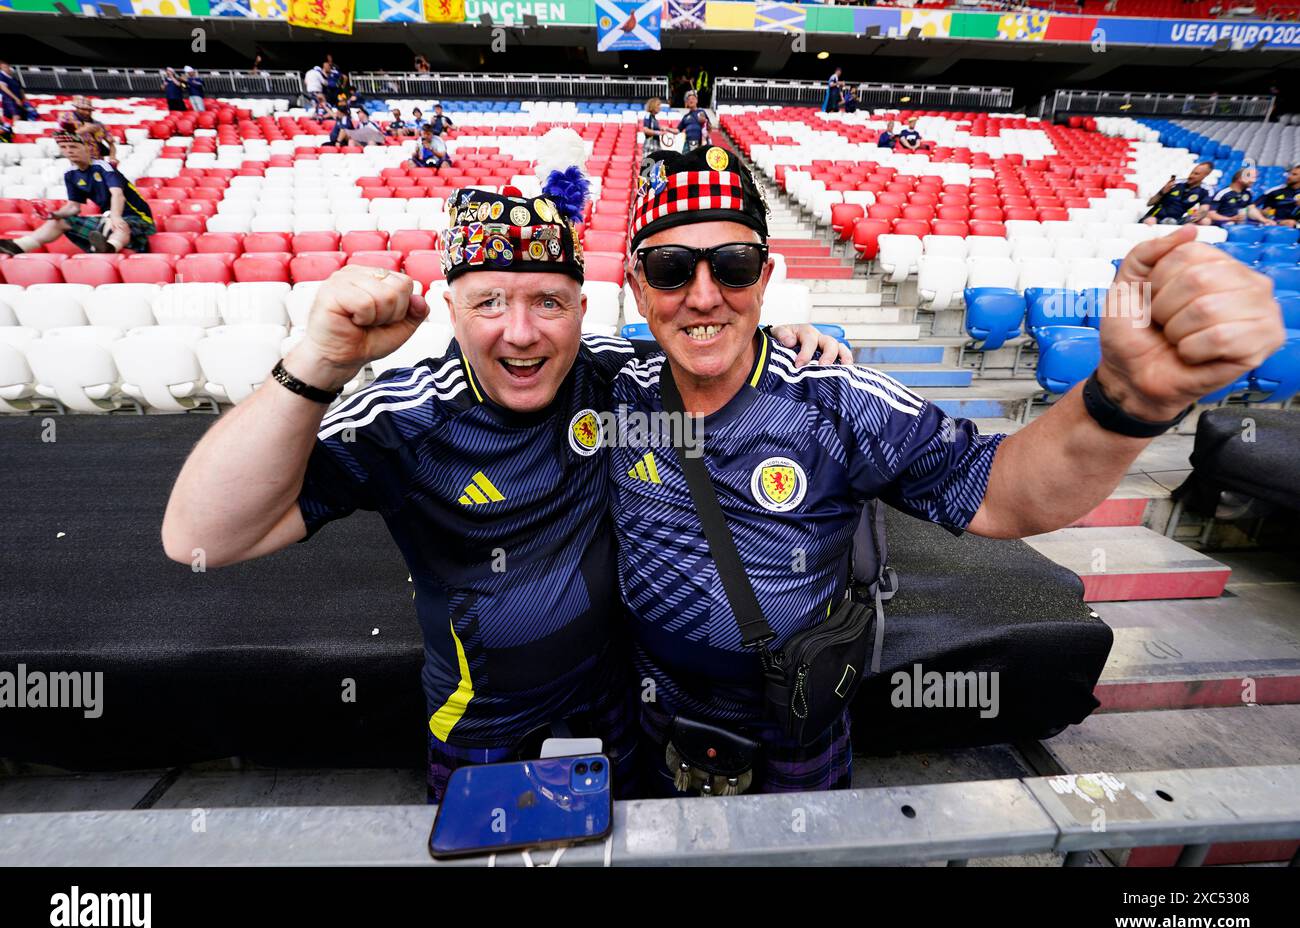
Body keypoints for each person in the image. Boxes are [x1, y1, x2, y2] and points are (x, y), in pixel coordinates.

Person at [159, 145, 847, 802]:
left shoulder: (614, 379)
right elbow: (202, 537)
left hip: (617, 705)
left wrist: (783, 343)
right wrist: (317, 362)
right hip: (487, 730)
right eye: (489, 302)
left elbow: (703, 338)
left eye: (548, 301)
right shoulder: (404, 419)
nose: (521, 332)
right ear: (450, 310)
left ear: (582, 311)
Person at [610, 145, 1285, 795]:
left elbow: (1000, 490)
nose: (703, 295)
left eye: (732, 264)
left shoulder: (840, 401)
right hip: (651, 711)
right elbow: (517, 347)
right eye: (670, 268)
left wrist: (1125, 398)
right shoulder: (608, 388)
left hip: (795, 715)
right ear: (638, 288)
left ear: (765, 277)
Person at [0, 131, 155, 256]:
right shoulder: (70, 174)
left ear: (87, 148)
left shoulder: (104, 167)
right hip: (108, 217)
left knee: (118, 225)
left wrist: (115, 216)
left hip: (138, 217)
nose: (68, 151)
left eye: (73, 146)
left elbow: (117, 194)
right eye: (64, 147)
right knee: (61, 221)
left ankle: (109, 247)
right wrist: (54, 215)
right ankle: (20, 246)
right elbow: (73, 207)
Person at [1141, 161, 1213, 224]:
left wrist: (1195, 216)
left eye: (1196, 174)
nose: (1191, 176)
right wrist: (1162, 192)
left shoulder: (1206, 190)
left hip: (1176, 221)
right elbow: (1149, 203)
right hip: (1154, 217)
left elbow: (1204, 210)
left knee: (1205, 221)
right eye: (1192, 172)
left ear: (1205, 175)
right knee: (1151, 220)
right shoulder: (1176, 183)